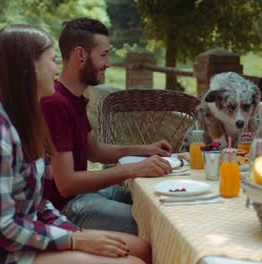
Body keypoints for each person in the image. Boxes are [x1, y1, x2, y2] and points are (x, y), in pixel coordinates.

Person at [0, 24, 150, 264]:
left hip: (30, 238)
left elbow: (39, 203)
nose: (57, 69)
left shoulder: (26, 121)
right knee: (132, 262)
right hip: (2, 254)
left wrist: (75, 234)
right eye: (52, 60)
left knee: (141, 248)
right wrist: (74, 241)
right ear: (29, 69)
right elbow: (1, 227)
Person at [40, 17, 172, 235]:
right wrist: (133, 168)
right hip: (64, 207)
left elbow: (95, 152)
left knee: (156, 201)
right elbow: (66, 183)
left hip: (82, 194)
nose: (108, 63)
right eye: (103, 55)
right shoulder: (54, 103)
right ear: (81, 55)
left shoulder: (74, 98)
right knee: (156, 224)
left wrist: (145, 150)